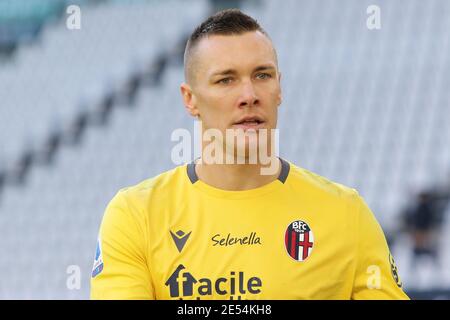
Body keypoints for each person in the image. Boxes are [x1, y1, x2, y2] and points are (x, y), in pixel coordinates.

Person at [90, 9, 409, 300]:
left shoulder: (345, 214)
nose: (249, 95)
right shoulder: (136, 216)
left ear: (279, 88)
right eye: (226, 80)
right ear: (190, 99)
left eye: (262, 75)